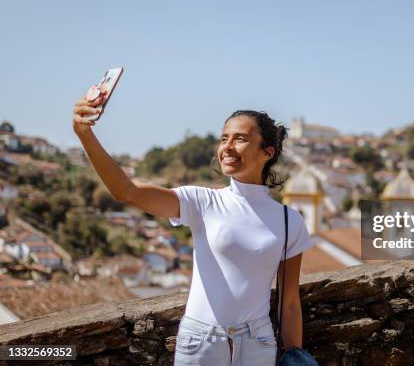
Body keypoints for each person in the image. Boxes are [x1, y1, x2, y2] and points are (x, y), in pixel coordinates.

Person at [73, 87, 314, 365]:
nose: (227, 147)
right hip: (201, 342)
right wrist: (84, 134)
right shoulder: (202, 201)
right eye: (224, 138)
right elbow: (127, 191)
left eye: (240, 139)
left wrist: (295, 356)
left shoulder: (288, 221)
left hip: (257, 344)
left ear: (267, 152)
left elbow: (290, 302)